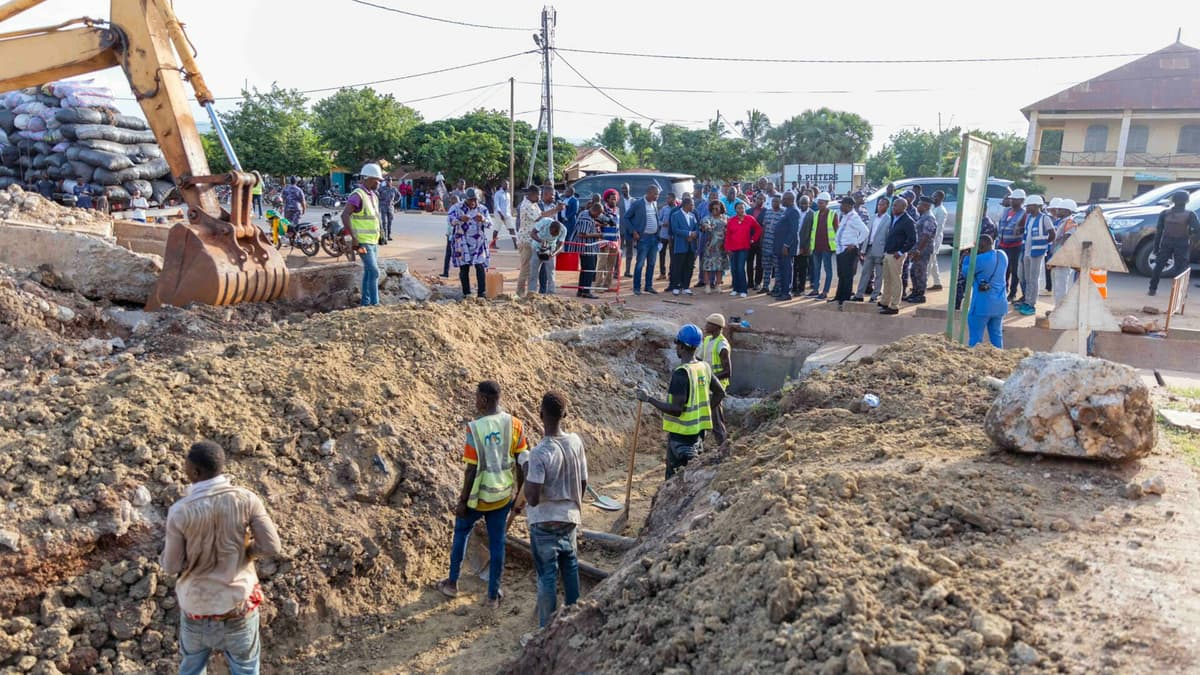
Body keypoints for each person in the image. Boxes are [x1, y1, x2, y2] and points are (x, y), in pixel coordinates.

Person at [160, 440, 282, 675]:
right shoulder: (247, 499)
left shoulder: (180, 511)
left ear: (195, 472)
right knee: (245, 669)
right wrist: (246, 553)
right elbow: (272, 545)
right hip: (236, 610)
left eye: (186, 467)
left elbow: (171, 565)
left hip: (196, 610)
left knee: (192, 670)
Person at [438, 381, 529, 608]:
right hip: (502, 497)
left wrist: (462, 501)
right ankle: (492, 596)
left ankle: (451, 583)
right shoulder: (515, 424)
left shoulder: (475, 428)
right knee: (498, 543)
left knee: (461, 533)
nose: (475, 401)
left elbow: (471, 469)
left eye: (477, 397)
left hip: (478, 497)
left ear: (486, 399)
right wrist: (519, 492)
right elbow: (521, 461)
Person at [524, 391, 588, 628]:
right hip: (569, 517)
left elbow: (531, 498)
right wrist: (572, 506)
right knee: (570, 567)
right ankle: (574, 619)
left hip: (544, 522)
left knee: (547, 576)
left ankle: (546, 630)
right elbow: (583, 482)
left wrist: (525, 467)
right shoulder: (575, 442)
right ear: (566, 415)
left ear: (541, 415)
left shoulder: (539, 453)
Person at [636, 324, 725, 479]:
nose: (676, 348)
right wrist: (703, 412)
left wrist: (648, 399)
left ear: (682, 346)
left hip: (681, 438)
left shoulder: (682, 373)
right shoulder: (704, 367)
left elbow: (676, 409)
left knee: (675, 480)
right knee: (689, 478)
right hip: (698, 434)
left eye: (677, 344)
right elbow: (720, 392)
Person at [342, 163, 384, 307]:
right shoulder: (357, 195)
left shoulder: (373, 196)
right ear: (367, 178)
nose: (378, 182)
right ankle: (375, 303)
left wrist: (381, 234)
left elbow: (375, 217)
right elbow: (345, 215)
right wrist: (354, 238)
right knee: (374, 271)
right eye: (376, 179)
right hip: (361, 242)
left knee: (369, 271)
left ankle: (365, 303)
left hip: (372, 241)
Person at [1149, 190, 1200, 297]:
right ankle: (1181, 293)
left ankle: (1152, 289)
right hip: (1182, 242)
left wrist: (1155, 248)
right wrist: (1192, 241)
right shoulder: (1190, 214)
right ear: (1187, 201)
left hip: (1166, 242)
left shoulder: (1164, 213)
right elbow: (1197, 230)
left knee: (1159, 266)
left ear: (1173, 200)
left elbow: (1159, 232)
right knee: (1181, 268)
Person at [964, 234, 1009, 347]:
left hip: (982, 306)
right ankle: (999, 359)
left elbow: (965, 272)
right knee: (996, 336)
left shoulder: (980, 259)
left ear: (980, 247)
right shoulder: (1002, 255)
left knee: (976, 338)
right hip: (1000, 305)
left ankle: (974, 359)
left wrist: (967, 256)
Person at [518, 186, 563, 297]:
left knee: (531, 270)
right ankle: (520, 294)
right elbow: (539, 217)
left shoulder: (533, 204)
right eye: (537, 194)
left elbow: (541, 216)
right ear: (530, 194)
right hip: (527, 240)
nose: (539, 197)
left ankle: (528, 293)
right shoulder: (527, 205)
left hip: (532, 241)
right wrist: (556, 210)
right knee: (526, 269)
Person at [448, 188, 492, 298]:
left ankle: (482, 293)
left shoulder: (483, 209)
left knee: (480, 266)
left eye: (475, 200)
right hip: (462, 242)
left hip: (478, 243)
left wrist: (483, 219)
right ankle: (466, 293)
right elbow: (450, 221)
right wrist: (460, 218)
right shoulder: (456, 208)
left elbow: (490, 224)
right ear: (466, 199)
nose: (472, 202)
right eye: (470, 200)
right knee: (464, 268)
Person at [1016, 195, 1056, 315]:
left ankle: (1031, 304)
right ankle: (1027, 300)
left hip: (1037, 253)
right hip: (1027, 252)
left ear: (1036, 206)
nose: (1026, 208)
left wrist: (1044, 244)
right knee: (1026, 278)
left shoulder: (1044, 218)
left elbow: (1052, 234)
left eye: (1028, 206)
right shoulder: (1029, 218)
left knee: (1033, 279)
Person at [624, 183, 663, 295]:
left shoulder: (654, 204)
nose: (657, 196)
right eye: (656, 194)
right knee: (640, 263)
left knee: (651, 263)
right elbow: (626, 217)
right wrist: (633, 231)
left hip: (654, 238)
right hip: (643, 238)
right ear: (649, 193)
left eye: (658, 194)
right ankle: (637, 288)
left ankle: (648, 286)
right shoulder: (638, 204)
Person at [880, 197, 915, 315]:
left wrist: (901, 252)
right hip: (888, 252)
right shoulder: (894, 218)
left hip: (896, 255)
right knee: (887, 279)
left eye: (896, 206)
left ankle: (894, 306)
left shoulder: (907, 221)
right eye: (893, 205)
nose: (893, 208)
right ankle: (885, 301)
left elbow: (912, 240)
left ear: (903, 207)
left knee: (895, 279)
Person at [800, 192, 839, 299]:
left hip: (827, 247)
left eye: (821, 203)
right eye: (818, 203)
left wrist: (837, 246)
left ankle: (825, 291)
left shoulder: (833, 214)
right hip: (816, 247)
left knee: (827, 270)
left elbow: (836, 231)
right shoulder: (816, 214)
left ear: (827, 203)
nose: (819, 205)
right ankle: (816, 289)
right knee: (816, 269)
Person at [832, 196, 868, 309]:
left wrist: (855, 243)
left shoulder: (854, 218)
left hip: (849, 250)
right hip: (841, 249)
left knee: (847, 276)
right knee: (841, 274)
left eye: (843, 204)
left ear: (849, 206)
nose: (841, 206)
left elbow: (865, 231)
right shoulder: (845, 216)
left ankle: (845, 299)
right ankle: (839, 297)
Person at [700, 313, 731, 444]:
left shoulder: (721, 345)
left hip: (717, 388)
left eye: (709, 324)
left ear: (716, 327)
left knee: (716, 418)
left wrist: (710, 378)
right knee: (705, 415)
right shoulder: (708, 340)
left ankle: (723, 447)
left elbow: (728, 371)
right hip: (707, 385)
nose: (706, 326)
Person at [854, 197, 892, 303]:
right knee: (865, 272)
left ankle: (874, 296)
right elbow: (867, 234)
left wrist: (885, 252)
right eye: (879, 204)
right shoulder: (873, 217)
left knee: (879, 275)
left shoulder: (889, 220)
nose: (880, 206)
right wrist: (863, 249)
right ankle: (859, 294)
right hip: (869, 249)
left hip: (880, 250)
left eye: (883, 205)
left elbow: (888, 237)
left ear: (887, 206)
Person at [904, 196, 939, 304]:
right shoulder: (923, 216)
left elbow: (926, 236)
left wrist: (918, 250)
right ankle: (915, 291)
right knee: (914, 271)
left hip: (923, 249)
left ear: (926, 206)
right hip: (918, 248)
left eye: (919, 204)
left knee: (920, 272)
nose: (917, 206)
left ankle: (920, 294)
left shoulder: (929, 218)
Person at [724, 201, 762, 298]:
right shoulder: (731, 220)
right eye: (739, 208)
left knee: (740, 268)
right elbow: (727, 236)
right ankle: (736, 289)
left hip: (743, 248)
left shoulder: (750, 219)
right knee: (734, 269)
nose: (741, 210)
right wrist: (727, 248)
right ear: (735, 209)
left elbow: (758, 229)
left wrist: (753, 239)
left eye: (742, 208)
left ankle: (743, 289)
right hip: (732, 248)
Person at [1046, 198, 1080, 307]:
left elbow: (1066, 240)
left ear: (1067, 211)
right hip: (1058, 258)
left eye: (1060, 209)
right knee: (1057, 287)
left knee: (1060, 287)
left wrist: (1056, 258)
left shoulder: (1070, 222)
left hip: (1062, 259)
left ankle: (1060, 310)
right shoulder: (1062, 222)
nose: (1057, 211)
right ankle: (1057, 308)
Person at [996, 189, 1026, 301]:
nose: (1012, 201)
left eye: (1015, 199)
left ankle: (1013, 293)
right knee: (1003, 270)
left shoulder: (1024, 214)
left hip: (1015, 246)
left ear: (1022, 200)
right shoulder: (1006, 211)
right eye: (1012, 199)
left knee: (1015, 271)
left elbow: (1024, 230)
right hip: (1003, 245)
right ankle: (1003, 290)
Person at [773, 192, 802, 301]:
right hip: (780, 246)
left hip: (786, 247)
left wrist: (786, 245)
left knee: (787, 270)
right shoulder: (787, 210)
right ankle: (782, 291)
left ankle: (786, 292)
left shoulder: (794, 211)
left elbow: (794, 231)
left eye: (784, 199)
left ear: (790, 200)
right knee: (781, 269)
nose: (782, 201)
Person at [668, 196, 699, 296]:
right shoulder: (675, 215)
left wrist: (694, 234)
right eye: (692, 204)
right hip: (680, 245)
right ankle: (676, 286)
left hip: (691, 245)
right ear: (686, 205)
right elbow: (675, 229)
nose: (693, 206)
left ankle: (686, 286)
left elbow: (697, 228)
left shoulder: (692, 216)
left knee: (689, 266)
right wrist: (689, 234)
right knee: (678, 266)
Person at [573, 202, 603, 299]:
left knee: (585, 269)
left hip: (586, 247)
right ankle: (586, 291)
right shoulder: (586, 218)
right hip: (586, 247)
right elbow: (581, 234)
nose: (598, 216)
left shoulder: (585, 213)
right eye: (598, 214)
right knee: (589, 268)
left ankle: (581, 290)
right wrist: (597, 235)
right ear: (595, 211)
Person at [530, 217, 567, 295]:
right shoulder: (545, 222)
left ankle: (551, 293)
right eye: (552, 233)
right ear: (549, 227)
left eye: (555, 235)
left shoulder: (564, 229)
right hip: (537, 247)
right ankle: (531, 293)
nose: (553, 236)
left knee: (551, 273)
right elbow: (532, 234)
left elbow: (560, 244)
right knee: (533, 273)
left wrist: (554, 253)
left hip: (551, 250)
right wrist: (541, 241)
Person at [700, 201, 729, 293]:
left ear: (721, 209)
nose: (715, 210)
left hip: (721, 246)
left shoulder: (726, 218)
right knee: (707, 266)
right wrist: (707, 227)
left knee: (719, 267)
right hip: (710, 246)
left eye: (717, 208)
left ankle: (718, 285)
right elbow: (704, 225)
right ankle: (707, 285)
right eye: (713, 208)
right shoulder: (707, 218)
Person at [758, 194, 784, 295]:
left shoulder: (783, 213)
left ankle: (776, 287)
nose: (774, 203)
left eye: (776, 201)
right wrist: (761, 240)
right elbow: (764, 227)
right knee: (766, 267)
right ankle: (765, 286)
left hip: (776, 245)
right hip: (766, 244)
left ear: (780, 202)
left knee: (777, 268)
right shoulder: (768, 212)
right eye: (773, 201)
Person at [928, 190, 948, 290]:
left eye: (935, 196)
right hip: (930, 238)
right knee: (933, 260)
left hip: (934, 239)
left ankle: (922, 284)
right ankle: (937, 283)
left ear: (940, 198)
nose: (933, 198)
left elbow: (938, 228)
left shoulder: (942, 211)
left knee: (929, 262)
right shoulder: (932, 207)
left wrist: (931, 240)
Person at [792, 195, 812, 297]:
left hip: (804, 246)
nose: (803, 205)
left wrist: (805, 247)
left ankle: (801, 288)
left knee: (803, 268)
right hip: (795, 244)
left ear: (809, 203)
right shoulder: (796, 212)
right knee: (794, 268)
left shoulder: (812, 214)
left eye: (805, 203)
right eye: (801, 203)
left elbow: (811, 233)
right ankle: (794, 287)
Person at [747, 194, 768, 290]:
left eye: (762, 199)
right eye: (758, 198)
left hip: (761, 241)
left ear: (764, 200)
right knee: (749, 262)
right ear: (755, 199)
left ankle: (758, 282)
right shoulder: (748, 211)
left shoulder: (767, 212)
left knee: (760, 263)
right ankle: (750, 282)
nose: (760, 200)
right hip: (749, 240)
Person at [656, 193, 678, 282]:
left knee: (673, 255)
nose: (667, 200)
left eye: (669, 198)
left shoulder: (678, 209)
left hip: (673, 236)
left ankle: (671, 274)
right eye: (667, 198)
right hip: (663, 235)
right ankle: (662, 273)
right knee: (662, 254)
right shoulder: (664, 209)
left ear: (674, 199)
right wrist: (663, 224)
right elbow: (658, 220)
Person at [618, 183, 635, 278]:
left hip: (631, 229)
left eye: (626, 188)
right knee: (619, 251)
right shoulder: (618, 201)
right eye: (623, 188)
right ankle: (617, 271)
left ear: (629, 189)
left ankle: (627, 271)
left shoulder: (634, 201)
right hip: (620, 228)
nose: (624, 190)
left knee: (630, 251)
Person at [377, 177, 400, 244]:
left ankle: (389, 235)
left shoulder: (393, 189)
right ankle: (384, 237)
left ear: (391, 181)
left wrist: (394, 202)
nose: (389, 182)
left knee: (390, 222)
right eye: (388, 180)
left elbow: (399, 196)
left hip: (390, 207)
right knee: (384, 222)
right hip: (383, 207)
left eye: (390, 180)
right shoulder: (381, 189)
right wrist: (379, 200)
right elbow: (376, 194)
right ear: (386, 181)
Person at [491, 179, 513, 250]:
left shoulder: (508, 194)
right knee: (496, 229)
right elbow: (497, 205)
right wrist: (501, 214)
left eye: (508, 184)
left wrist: (509, 214)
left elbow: (508, 205)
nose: (507, 186)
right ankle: (493, 244)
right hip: (499, 214)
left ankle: (516, 245)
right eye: (505, 184)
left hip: (507, 214)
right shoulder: (498, 193)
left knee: (512, 229)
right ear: (502, 184)